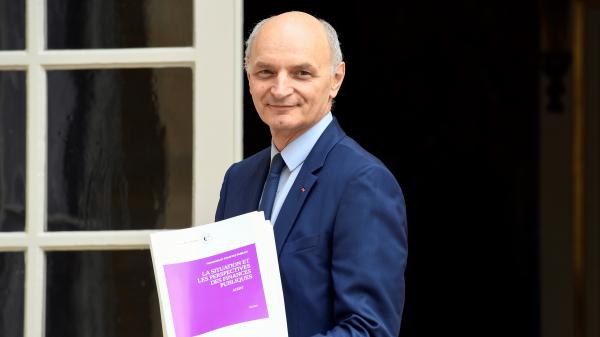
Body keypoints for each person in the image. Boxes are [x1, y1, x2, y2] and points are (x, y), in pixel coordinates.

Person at [215, 11, 407, 337]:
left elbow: (369, 330)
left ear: (336, 79)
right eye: (265, 71)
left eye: (301, 73)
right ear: (248, 76)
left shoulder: (363, 183)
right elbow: (224, 306)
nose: (280, 88)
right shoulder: (238, 180)